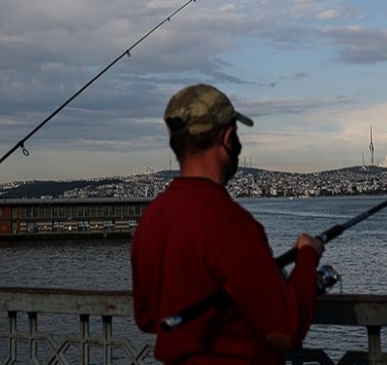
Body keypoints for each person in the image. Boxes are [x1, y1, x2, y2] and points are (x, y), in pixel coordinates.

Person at [131, 83, 324, 364]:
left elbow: (147, 318)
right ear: (228, 137)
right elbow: (286, 329)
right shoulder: (229, 222)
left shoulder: (151, 219)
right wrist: (307, 256)